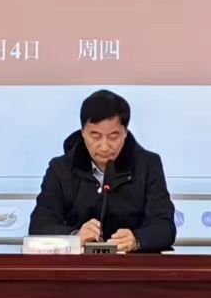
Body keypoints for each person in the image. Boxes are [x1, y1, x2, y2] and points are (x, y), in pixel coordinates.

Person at [29, 90, 176, 253]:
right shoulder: (60, 169)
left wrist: (137, 240)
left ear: (125, 132)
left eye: (113, 137)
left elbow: (165, 227)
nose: (104, 147)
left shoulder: (148, 165)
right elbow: (39, 228)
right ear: (83, 132)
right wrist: (74, 237)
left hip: (131, 264)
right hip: (76, 266)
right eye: (95, 136)